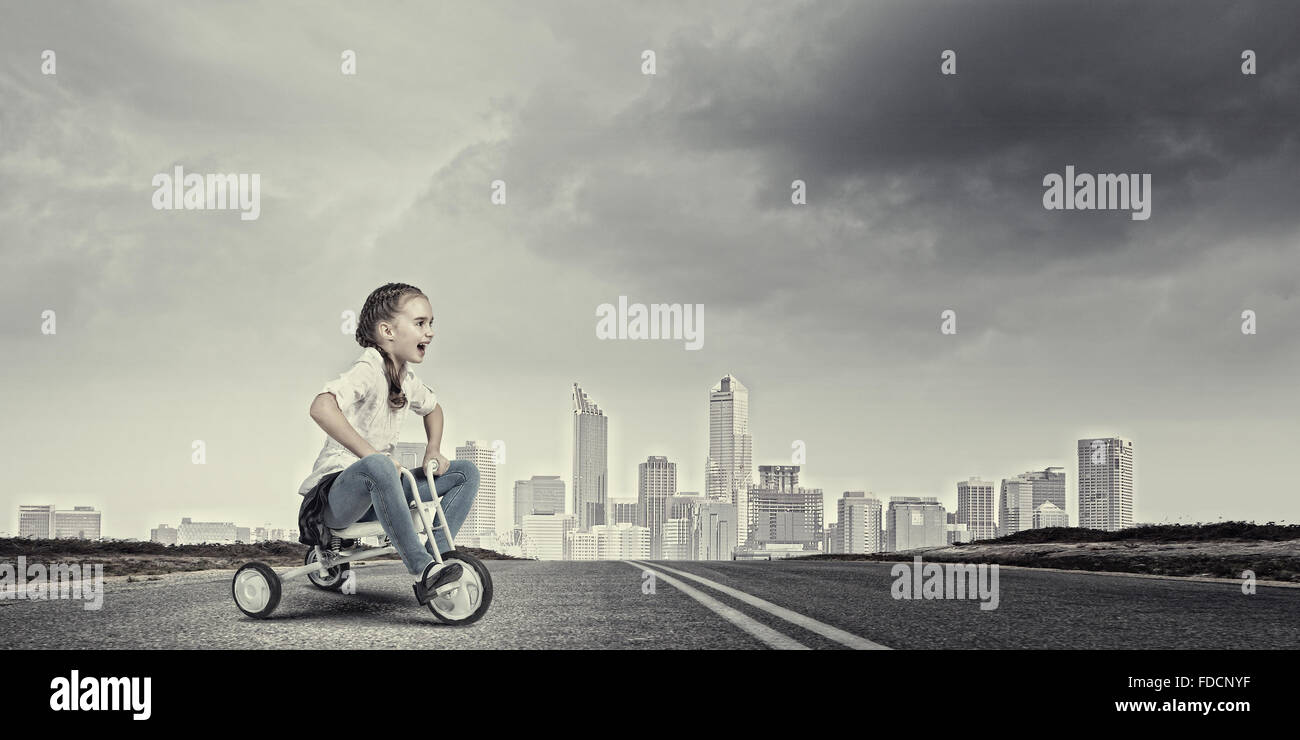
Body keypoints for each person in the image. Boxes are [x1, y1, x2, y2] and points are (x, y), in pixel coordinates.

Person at [298, 282, 479, 605]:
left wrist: (433, 449)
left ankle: (438, 559)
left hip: (384, 489)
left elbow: (433, 408)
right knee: (378, 464)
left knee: (465, 473)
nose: (431, 332)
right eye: (420, 323)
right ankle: (423, 572)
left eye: (431, 324)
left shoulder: (407, 378)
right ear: (387, 331)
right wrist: (371, 455)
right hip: (338, 499)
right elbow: (320, 407)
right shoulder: (368, 368)